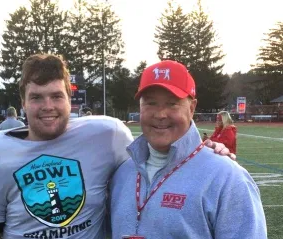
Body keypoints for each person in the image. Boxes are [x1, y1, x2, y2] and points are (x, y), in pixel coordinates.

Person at [0, 54, 235, 239]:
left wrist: (203, 153)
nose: (48, 106)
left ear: (69, 99)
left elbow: (154, 154)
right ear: (23, 101)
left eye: (56, 96)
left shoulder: (106, 135)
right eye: (37, 98)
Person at [110, 60, 267, 239]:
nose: (160, 114)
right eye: (151, 103)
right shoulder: (121, 173)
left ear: (191, 108)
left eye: (172, 104)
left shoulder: (228, 178)